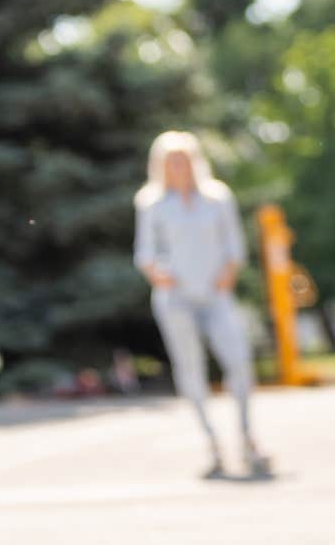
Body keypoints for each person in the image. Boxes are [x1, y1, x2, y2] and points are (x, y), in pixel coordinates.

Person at [134, 130, 270, 478]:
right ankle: (211, 442)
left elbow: (235, 248)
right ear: (160, 166)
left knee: (238, 362)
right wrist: (161, 274)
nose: (177, 166)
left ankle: (246, 436)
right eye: (170, 161)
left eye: (183, 159)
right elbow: (145, 253)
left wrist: (226, 275)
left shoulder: (217, 197)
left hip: (215, 296)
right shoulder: (151, 203)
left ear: (194, 161)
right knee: (190, 369)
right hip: (175, 300)